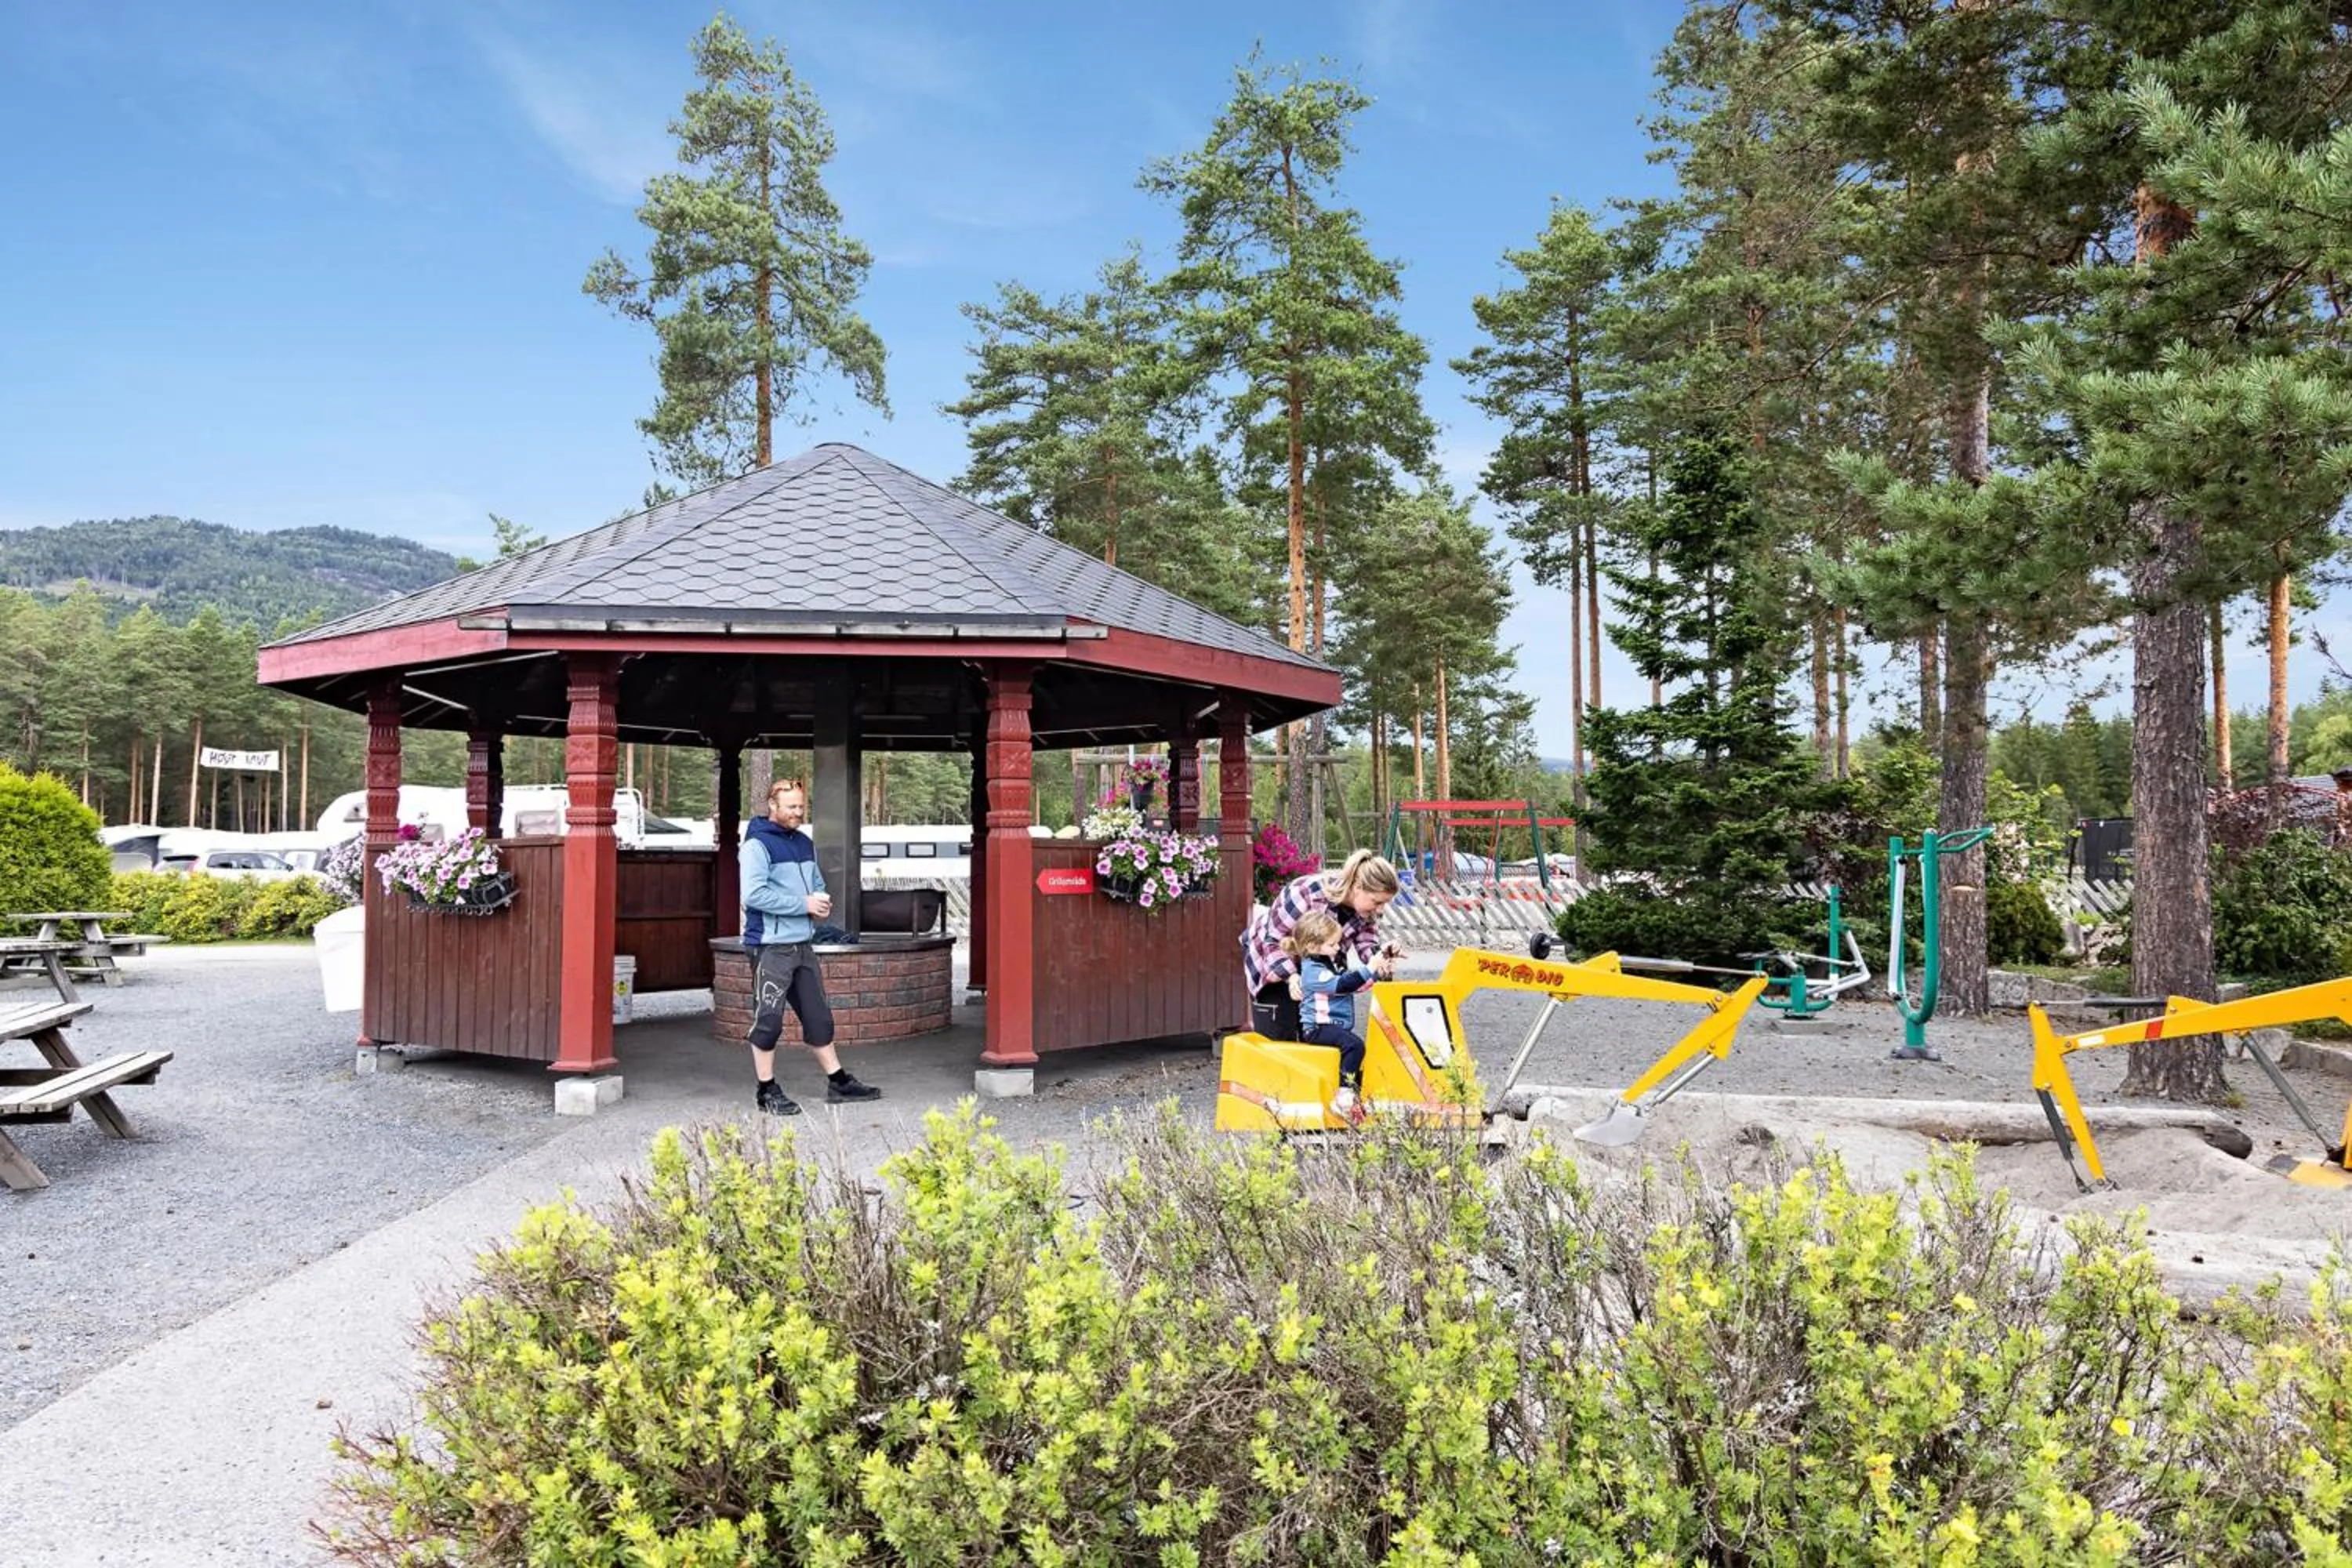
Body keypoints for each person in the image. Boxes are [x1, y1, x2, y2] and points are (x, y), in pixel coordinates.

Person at [740, 779, 881, 1115]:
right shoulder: (756, 847)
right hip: (769, 946)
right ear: (772, 806)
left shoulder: (804, 843)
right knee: (769, 1021)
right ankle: (765, 1090)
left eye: (802, 807)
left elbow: (815, 882)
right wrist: (803, 904)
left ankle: (838, 1081)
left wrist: (820, 899)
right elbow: (753, 896)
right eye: (791, 807)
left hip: (802, 945)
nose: (798, 813)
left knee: (819, 1019)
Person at [1241, 847, 1403, 1041]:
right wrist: (1291, 977)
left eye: (1385, 903)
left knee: (1319, 1034)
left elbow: (1367, 944)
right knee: (1281, 1037)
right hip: (1272, 960)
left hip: (1316, 966)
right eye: (1377, 902)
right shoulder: (1305, 892)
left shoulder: (1365, 913)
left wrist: (1383, 958)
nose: (1380, 910)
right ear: (1357, 886)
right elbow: (1274, 941)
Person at [1283, 910, 1377, 1124]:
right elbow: (1342, 984)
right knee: (1354, 1046)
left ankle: (1353, 1094)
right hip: (1317, 1027)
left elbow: (1351, 983)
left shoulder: (1326, 965)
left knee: (1353, 1051)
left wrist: (1377, 972)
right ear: (1313, 946)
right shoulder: (1312, 971)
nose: (1338, 948)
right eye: (1333, 944)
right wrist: (1370, 967)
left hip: (1330, 1025)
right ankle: (1344, 1096)